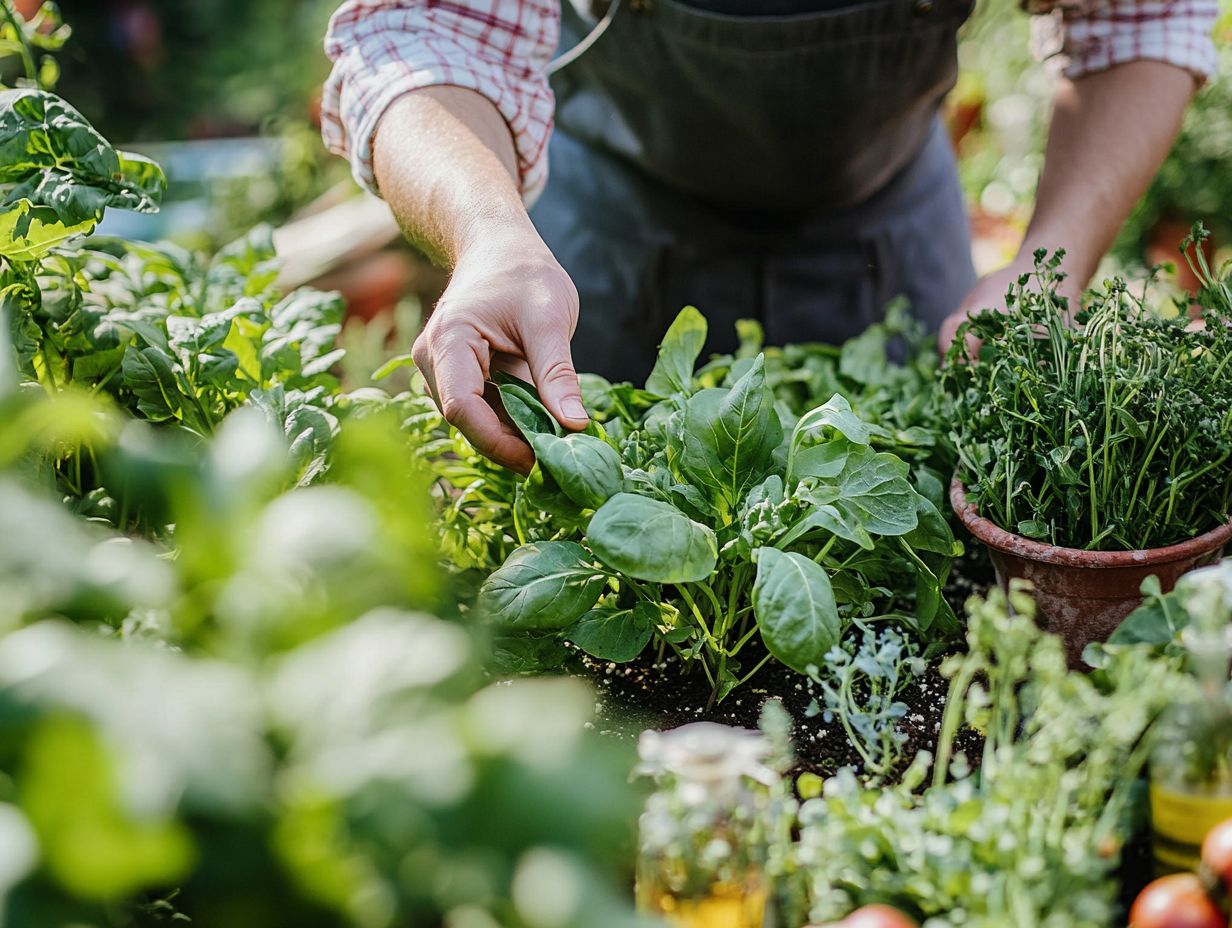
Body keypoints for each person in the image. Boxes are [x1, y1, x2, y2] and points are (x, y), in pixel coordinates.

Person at [322, 0, 1216, 472]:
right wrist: (485, 236)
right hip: (600, 240)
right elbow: (423, 26)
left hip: (889, 226)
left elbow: (1135, 16)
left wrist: (1048, 265)